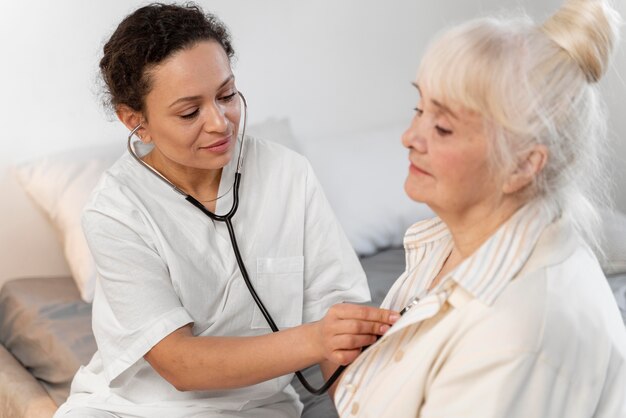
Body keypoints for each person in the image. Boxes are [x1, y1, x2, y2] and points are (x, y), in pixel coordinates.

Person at [54, 3, 399, 418]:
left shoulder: (287, 175)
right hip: (129, 409)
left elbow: (341, 326)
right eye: (189, 112)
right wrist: (315, 339)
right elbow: (179, 363)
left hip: (257, 407)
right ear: (135, 121)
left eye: (226, 94)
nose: (220, 122)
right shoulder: (115, 211)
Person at [334, 0, 626, 416]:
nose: (409, 137)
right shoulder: (448, 245)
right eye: (419, 108)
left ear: (523, 165)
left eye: (443, 127)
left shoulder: (518, 336)